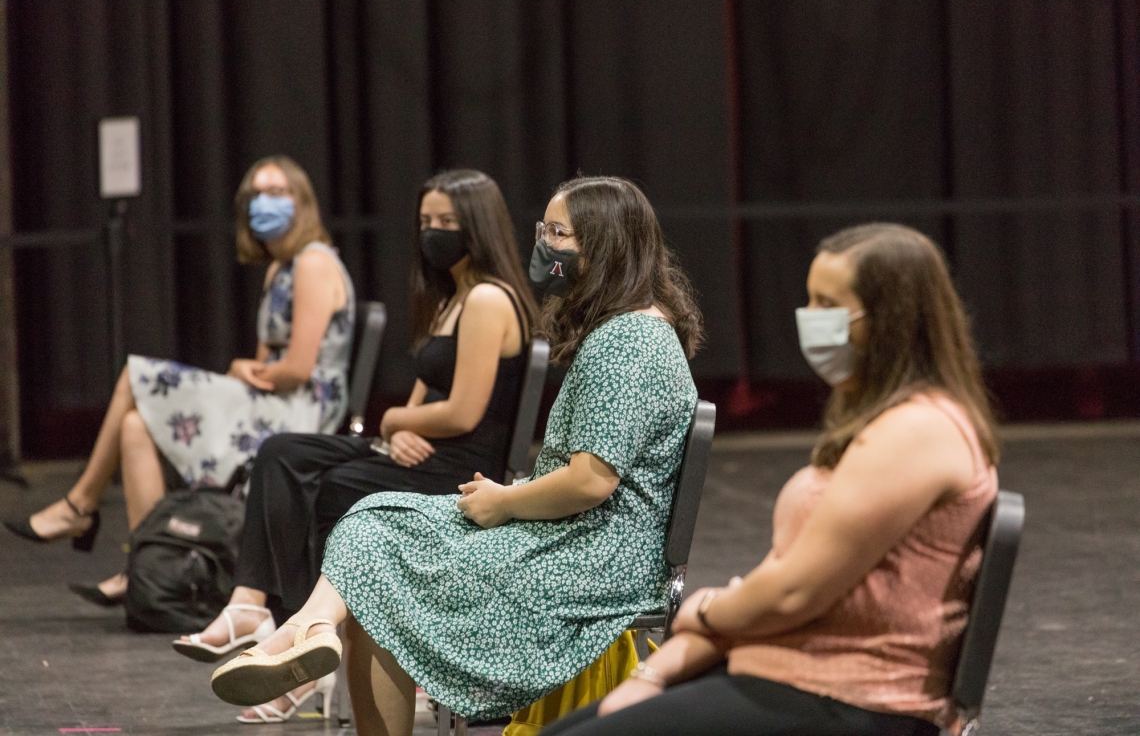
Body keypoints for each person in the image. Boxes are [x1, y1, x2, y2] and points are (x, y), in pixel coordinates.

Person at [205, 176, 704, 735]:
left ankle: (301, 629)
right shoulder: (629, 330)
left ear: (604, 245)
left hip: (590, 557)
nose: (544, 245)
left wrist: (505, 502)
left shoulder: (629, 343)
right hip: (570, 535)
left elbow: (591, 483)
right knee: (372, 519)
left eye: (559, 233)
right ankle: (310, 625)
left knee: (375, 564)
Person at [542, 223, 999, 736]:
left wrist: (706, 609)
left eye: (829, 304)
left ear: (892, 320)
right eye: (810, 300)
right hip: (788, 670)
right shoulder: (877, 419)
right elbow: (784, 581)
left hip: (851, 699)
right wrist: (657, 668)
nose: (810, 319)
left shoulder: (920, 430)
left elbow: (791, 594)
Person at [172, 169, 538, 724]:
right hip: (421, 445)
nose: (433, 233)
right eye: (425, 222)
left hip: (461, 466)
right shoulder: (451, 297)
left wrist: (395, 419)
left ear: (479, 227)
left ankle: (306, 642)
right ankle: (257, 606)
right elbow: (426, 391)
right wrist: (401, 429)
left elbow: (464, 410)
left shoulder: (489, 299)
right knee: (282, 453)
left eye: (446, 223)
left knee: (336, 487)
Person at [4, 156, 354, 607]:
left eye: (278, 193)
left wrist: (242, 371)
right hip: (268, 398)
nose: (265, 203)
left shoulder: (314, 262)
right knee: (133, 427)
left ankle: (79, 506)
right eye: (256, 195)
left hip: (301, 407)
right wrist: (246, 370)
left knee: (137, 375)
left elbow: (298, 371)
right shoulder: (278, 269)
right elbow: (268, 359)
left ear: (301, 202)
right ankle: (148, 566)